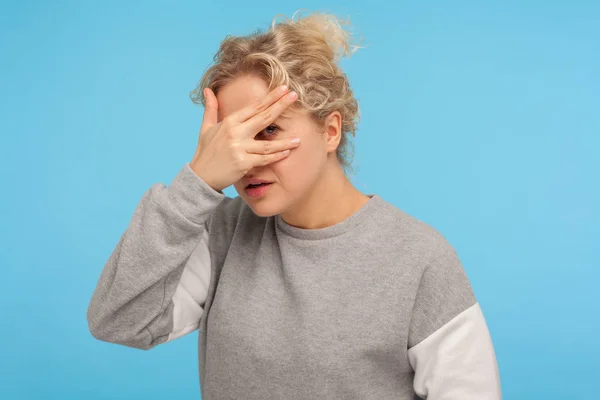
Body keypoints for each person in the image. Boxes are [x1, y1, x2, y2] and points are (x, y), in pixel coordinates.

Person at [87, 10, 502, 399]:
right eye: (232, 139)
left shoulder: (419, 259)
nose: (245, 158)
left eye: (268, 130)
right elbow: (118, 321)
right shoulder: (223, 235)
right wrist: (197, 181)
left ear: (331, 130)